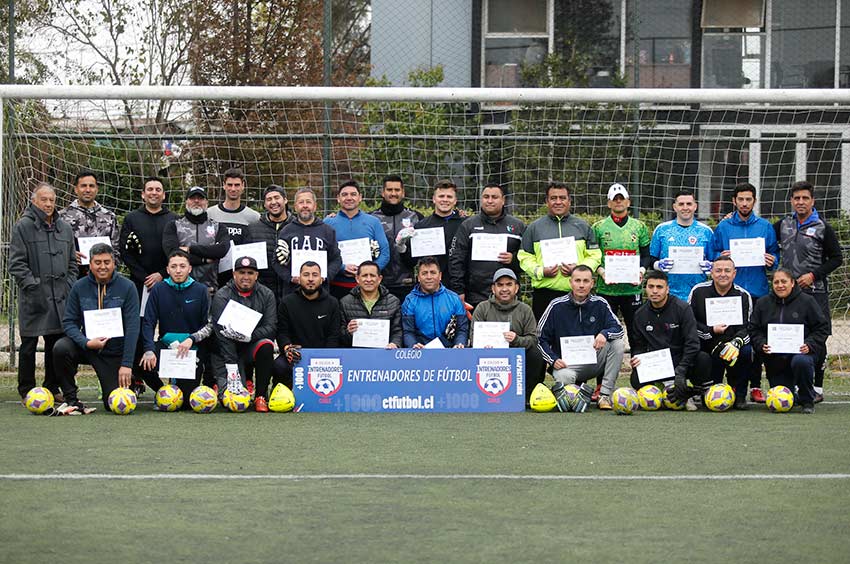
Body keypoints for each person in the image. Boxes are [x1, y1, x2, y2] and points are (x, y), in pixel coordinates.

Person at [774, 181, 843, 402]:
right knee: (790, 336)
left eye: (805, 198)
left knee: (818, 337)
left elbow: (837, 258)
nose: (800, 202)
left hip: (816, 291)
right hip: (788, 293)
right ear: (792, 201)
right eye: (796, 198)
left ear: (812, 201)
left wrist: (814, 275)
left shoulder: (823, 227)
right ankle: (792, 382)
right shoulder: (783, 224)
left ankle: (818, 387)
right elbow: (762, 238)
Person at [711, 182, 779, 403]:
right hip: (729, 294)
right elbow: (712, 255)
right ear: (734, 201)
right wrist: (720, 255)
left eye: (749, 199)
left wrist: (772, 261)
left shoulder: (765, 226)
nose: (744, 203)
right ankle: (721, 384)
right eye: (740, 199)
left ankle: (756, 386)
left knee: (755, 340)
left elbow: (774, 255)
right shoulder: (723, 227)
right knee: (726, 336)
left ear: (754, 201)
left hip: (757, 291)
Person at [9, 182, 77, 400]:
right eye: (44, 199)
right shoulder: (23, 226)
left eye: (51, 200)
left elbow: (72, 264)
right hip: (34, 296)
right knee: (28, 344)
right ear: (34, 200)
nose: (48, 204)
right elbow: (16, 264)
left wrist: (68, 285)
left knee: (54, 345)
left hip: (60, 297)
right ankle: (26, 389)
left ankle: (51, 387)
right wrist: (33, 286)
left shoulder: (65, 227)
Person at [53, 243, 140, 412]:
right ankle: (71, 399)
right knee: (61, 348)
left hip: (114, 351)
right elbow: (69, 322)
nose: (102, 266)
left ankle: (132, 379)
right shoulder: (79, 286)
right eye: (97, 262)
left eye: (107, 262)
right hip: (88, 346)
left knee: (113, 404)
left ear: (114, 263)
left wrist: (126, 364)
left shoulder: (128, 287)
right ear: (90, 264)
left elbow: (133, 327)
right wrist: (86, 342)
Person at [119, 176, 179, 395]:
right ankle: (138, 378)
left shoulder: (173, 219)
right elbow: (124, 251)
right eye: (150, 189)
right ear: (143, 194)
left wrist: (163, 274)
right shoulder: (132, 218)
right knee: (138, 330)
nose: (154, 193)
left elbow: (177, 253)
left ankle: (175, 380)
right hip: (140, 284)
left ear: (163, 195)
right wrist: (145, 277)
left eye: (158, 189)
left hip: (168, 283)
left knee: (169, 330)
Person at [537, 265, 625, 411]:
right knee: (564, 378)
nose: (581, 285)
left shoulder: (600, 304)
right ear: (570, 282)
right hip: (566, 365)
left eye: (586, 281)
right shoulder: (556, 306)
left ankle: (604, 395)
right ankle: (572, 392)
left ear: (592, 283)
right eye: (577, 280)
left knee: (617, 344)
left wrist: (605, 333)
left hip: (594, 360)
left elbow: (618, 329)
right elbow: (540, 339)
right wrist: (552, 359)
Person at [748, 268, 830, 414]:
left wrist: (809, 345)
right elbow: (754, 329)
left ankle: (807, 400)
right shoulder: (763, 303)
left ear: (792, 283)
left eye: (784, 281)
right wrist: (762, 344)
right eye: (776, 282)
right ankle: (793, 393)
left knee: (801, 361)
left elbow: (822, 328)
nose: (780, 285)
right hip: (775, 357)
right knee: (785, 398)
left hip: (802, 354)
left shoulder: (807, 301)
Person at [138, 250, 213, 407]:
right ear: (167, 269)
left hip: (191, 349)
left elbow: (209, 324)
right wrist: (149, 349)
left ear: (189, 269)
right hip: (166, 346)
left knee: (185, 403)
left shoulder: (201, 290)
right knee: (138, 362)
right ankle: (162, 391)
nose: (178, 270)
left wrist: (192, 340)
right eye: (174, 266)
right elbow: (148, 322)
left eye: (182, 266)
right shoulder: (158, 290)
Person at [629, 270, 711, 411]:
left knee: (703, 359)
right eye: (651, 287)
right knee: (635, 379)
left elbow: (692, 343)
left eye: (659, 287)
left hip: (681, 360)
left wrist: (681, 371)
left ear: (667, 289)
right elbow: (638, 345)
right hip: (658, 363)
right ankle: (664, 389)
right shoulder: (640, 314)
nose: (655, 291)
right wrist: (636, 358)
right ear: (645, 288)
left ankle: (693, 391)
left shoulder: (682, 308)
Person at [518, 182, 600, 321]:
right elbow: (524, 257)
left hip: (577, 293)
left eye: (562, 198)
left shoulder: (583, 226)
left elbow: (595, 255)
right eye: (553, 198)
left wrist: (578, 270)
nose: (558, 202)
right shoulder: (534, 228)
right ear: (546, 201)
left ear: (569, 201)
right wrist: (540, 271)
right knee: (544, 338)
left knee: (576, 339)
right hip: (544, 294)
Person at [210, 256, 277, 412]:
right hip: (226, 348)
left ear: (257, 275)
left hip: (251, 345)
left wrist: (249, 335)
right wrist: (232, 368)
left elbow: (271, 327)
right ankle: (216, 383)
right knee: (232, 405)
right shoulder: (222, 295)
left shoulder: (267, 295)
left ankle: (261, 396)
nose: (245, 277)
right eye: (241, 272)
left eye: (250, 272)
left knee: (266, 346)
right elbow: (220, 333)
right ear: (234, 274)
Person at [687, 256, 753, 409]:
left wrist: (736, 342)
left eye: (727, 271)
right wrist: (710, 331)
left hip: (733, 345)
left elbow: (749, 327)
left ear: (734, 273)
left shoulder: (743, 295)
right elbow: (690, 323)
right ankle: (705, 390)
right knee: (700, 355)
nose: (723, 274)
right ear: (711, 272)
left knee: (747, 351)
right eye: (718, 270)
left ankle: (740, 394)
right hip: (707, 343)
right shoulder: (698, 291)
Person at [470, 268, 545, 403]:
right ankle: (479, 394)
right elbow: (474, 336)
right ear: (493, 289)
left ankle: (527, 395)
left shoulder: (525, 310)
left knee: (536, 354)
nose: (504, 289)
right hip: (488, 356)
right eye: (500, 285)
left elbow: (533, 339)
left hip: (516, 357)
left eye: (509, 284)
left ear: (516, 288)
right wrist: (482, 345)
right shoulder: (482, 308)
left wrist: (516, 340)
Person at [592, 183, 651, 346]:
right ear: (609, 203)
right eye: (614, 199)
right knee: (604, 331)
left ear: (628, 202)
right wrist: (601, 271)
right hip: (606, 289)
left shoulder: (639, 227)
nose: (618, 202)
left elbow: (646, 256)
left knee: (636, 332)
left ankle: (637, 369)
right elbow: (592, 256)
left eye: (621, 199)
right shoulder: (598, 227)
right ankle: (604, 370)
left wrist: (641, 270)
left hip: (632, 289)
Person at [449, 183, 525, 309]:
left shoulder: (517, 226)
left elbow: (528, 258)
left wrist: (514, 259)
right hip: (475, 297)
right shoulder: (468, 226)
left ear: (503, 200)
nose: (489, 201)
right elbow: (456, 259)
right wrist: (458, 291)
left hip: (509, 297)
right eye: (486, 197)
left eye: (494, 197)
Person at [276, 261, 342, 388]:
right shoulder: (287, 302)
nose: (310, 279)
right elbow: (282, 332)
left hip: (324, 358)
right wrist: (287, 348)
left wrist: (324, 359)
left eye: (315, 275)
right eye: (306, 275)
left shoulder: (332, 303)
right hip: (296, 356)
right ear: (299, 278)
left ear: (322, 279)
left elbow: (333, 336)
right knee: (279, 366)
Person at [325, 180, 390, 300]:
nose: (349, 198)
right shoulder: (328, 223)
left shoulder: (373, 222)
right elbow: (323, 254)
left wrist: (368, 272)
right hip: (336, 287)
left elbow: (385, 253)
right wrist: (341, 268)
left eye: (353, 194)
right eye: (344, 195)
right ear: (338, 198)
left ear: (360, 198)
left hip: (368, 288)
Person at [273, 187, 342, 296]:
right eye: (301, 202)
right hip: (293, 293)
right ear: (295, 207)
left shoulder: (327, 231)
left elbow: (336, 259)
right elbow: (276, 261)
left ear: (315, 206)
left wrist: (325, 276)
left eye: (308, 202)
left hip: (321, 293)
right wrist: (290, 277)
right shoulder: (286, 231)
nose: (305, 205)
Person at [162, 186, 232, 292]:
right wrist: (204, 259)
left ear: (207, 202)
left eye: (200, 198)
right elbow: (172, 253)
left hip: (209, 289)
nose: (196, 201)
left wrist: (190, 249)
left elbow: (222, 250)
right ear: (186, 201)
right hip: (179, 289)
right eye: (192, 198)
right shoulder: (174, 226)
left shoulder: (218, 227)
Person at [649, 190, 714, 301]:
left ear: (695, 206)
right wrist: (658, 265)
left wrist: (711, 266)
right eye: (681, 204)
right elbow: (651, 259)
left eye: (689, 204)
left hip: (698, 293)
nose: (685, 207)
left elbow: (714, 260)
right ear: (675, 207)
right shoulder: (662, 230)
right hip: (668, 294)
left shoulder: (706, 231)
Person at [372, 175, 423, 302]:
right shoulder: (372, 219)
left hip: (407, 284)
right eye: (389, 190)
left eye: (397, 190)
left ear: (403, 192)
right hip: (378, 284)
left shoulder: (415, 217)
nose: (393, 193)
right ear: (383, 193)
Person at [59, 170, 120, 277]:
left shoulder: (109, 217)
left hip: (102, 279)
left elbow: (116, 250)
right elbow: (55, 248)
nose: (87, 190)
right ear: (76, 189)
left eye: (91, 186)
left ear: (97, 189)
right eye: (83, 186)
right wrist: (68, 254)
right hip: (71, 278)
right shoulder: (62, 217)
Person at [208, 168, 260, 286]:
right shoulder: (210, 214)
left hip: (242, 279)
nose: (233, 189)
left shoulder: (253, 217)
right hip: (214, 277)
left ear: (243, 186)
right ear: (224, 186)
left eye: (237, 185)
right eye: (229, 185)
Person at [402, 257, 468, 348]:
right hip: (420, 352)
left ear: (440, 276)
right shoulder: (409, 301)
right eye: (424, 273)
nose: (429, 277)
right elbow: (407, 331)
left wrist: (459, 344)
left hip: (449, 352)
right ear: (418, 278)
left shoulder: (454, 299)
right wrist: (413, 345)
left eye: (433, 273)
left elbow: (462, 329)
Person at [406, 179, 466, 277]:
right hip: (431, 284)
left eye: (449, 197)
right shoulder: (422, 226)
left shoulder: (465, 224)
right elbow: (411, 261)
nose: (445, 200)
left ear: (455, 201)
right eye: (441, 196)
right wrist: (402, 248)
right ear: (434, 199)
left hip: (459, 284)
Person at [340, 261, 403, 348]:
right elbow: (338, 336)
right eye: (364, 275)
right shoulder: (345, 302)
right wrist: (348, 332)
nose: (369, 279)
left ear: (380, 279)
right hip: (355, 355)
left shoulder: (393, 301)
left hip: (385, 353)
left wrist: (395, 343)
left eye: (372, 275)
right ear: (357, 278)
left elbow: (397, 330)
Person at [250, 184, 293, 301]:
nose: (273, 202)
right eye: (269, 199)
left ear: (285, 200)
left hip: (292, 292)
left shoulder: (298, 226)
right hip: (263, 294)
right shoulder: (253, 229)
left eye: (277, 197)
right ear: (264, 204)